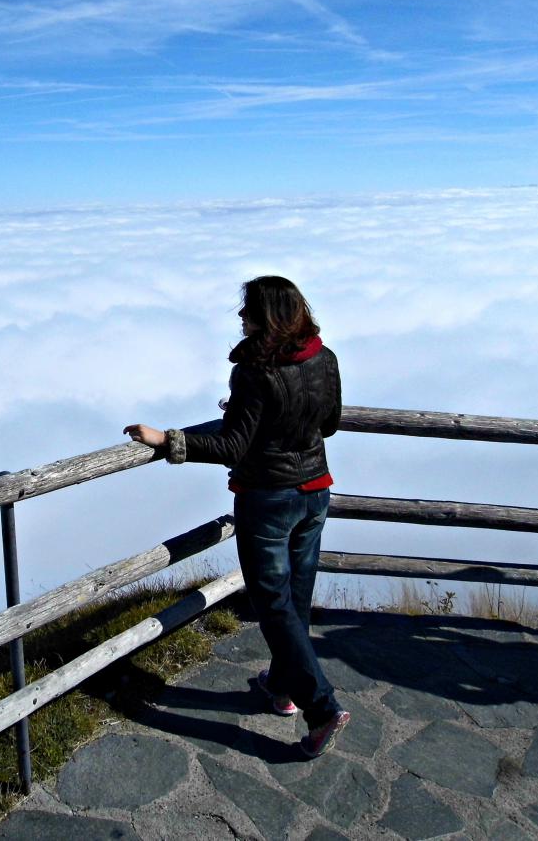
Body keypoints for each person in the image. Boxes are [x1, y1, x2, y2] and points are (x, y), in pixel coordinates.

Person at [123, 275, 349, 758]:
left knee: (273, 605)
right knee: (296, 598)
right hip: (315, 493)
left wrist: (168, 440)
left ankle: (322, 708)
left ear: (266, 317)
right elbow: (327, 422)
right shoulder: (323, 358)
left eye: (247, 311)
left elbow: (231, 446)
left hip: (268, 499)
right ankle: (283, 690)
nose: (241, 319)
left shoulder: (255, 372)